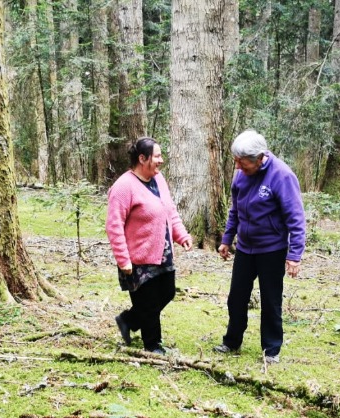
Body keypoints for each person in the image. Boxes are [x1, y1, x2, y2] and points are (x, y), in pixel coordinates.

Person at [214, 130, 305, 364]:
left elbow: (295, 218)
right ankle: (232, 341)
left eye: (242, 163)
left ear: (259, 158)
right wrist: (227, 239)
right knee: (236, 298)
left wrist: (294, 255)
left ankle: (271, 350)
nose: (237, 167)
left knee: (270, 300)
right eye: (236, 161)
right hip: (245, 248)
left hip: (272, 249)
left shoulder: (282, 176)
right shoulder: (241, 176)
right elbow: (235, 210)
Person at [106, 137, 193, 354]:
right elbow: (114, 226)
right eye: (157, 156)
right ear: (142, 158)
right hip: (137, 258)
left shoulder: (159, 179)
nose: (161, 161)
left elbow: (169, 211)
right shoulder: (123, 187)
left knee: (168, 292)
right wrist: (123, 260)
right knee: (150, 302)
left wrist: (181, 235)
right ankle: (153, 345)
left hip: (162, 254)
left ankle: (127, 320)